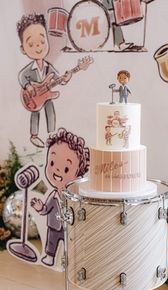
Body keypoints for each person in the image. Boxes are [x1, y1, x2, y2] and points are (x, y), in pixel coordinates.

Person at [31, 128, 90, 266]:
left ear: (78, 175)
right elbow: (46, 209)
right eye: (52, 163)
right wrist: (40, 208)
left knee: (70, 242)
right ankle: (50, 256)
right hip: (53, 226)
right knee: (51, 242)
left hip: (69, 227)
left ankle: (70, 258)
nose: (57, 170)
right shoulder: (53, 195)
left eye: (66, 169)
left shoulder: (74, 197)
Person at [17, 14, 72, 148]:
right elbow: (21, 76)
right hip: (34, 97)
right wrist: (28, 86)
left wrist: (65, 79)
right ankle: (34, 135)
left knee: (50, 110)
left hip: (47, 95)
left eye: (42, 42)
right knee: (35, 113)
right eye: (31, 44)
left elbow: (58, 78)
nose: (38, 47)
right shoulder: (28, 70)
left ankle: (51, 134)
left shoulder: (49, 68)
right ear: (23, 49)